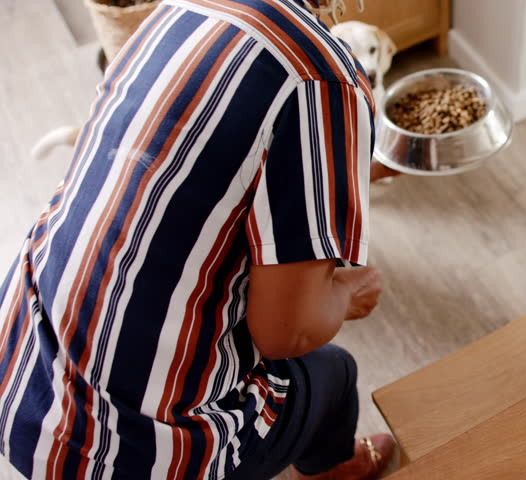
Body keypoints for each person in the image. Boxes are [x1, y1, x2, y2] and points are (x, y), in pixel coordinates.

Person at [0, 0, 397, 478]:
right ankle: (337, 468)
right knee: (334, 374)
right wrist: (348, 292)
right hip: (115, 453)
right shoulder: (324, 79)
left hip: (16, 364)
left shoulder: (175, 9)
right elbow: (285, 332)